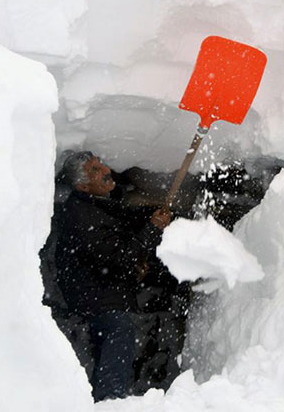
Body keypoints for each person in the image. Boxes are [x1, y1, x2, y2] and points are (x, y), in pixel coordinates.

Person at [53, 151, 171, 401]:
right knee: (119, 329)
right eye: (95, 171)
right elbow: (119, 258)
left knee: (112, 336)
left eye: (101, 164)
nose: (106, 170)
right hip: (92, 294)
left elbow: (119, 244)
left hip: (103, 284)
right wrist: (152, 230)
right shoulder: (82, 216)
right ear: (83, 186)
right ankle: (111, 399)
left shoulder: (98, 203)